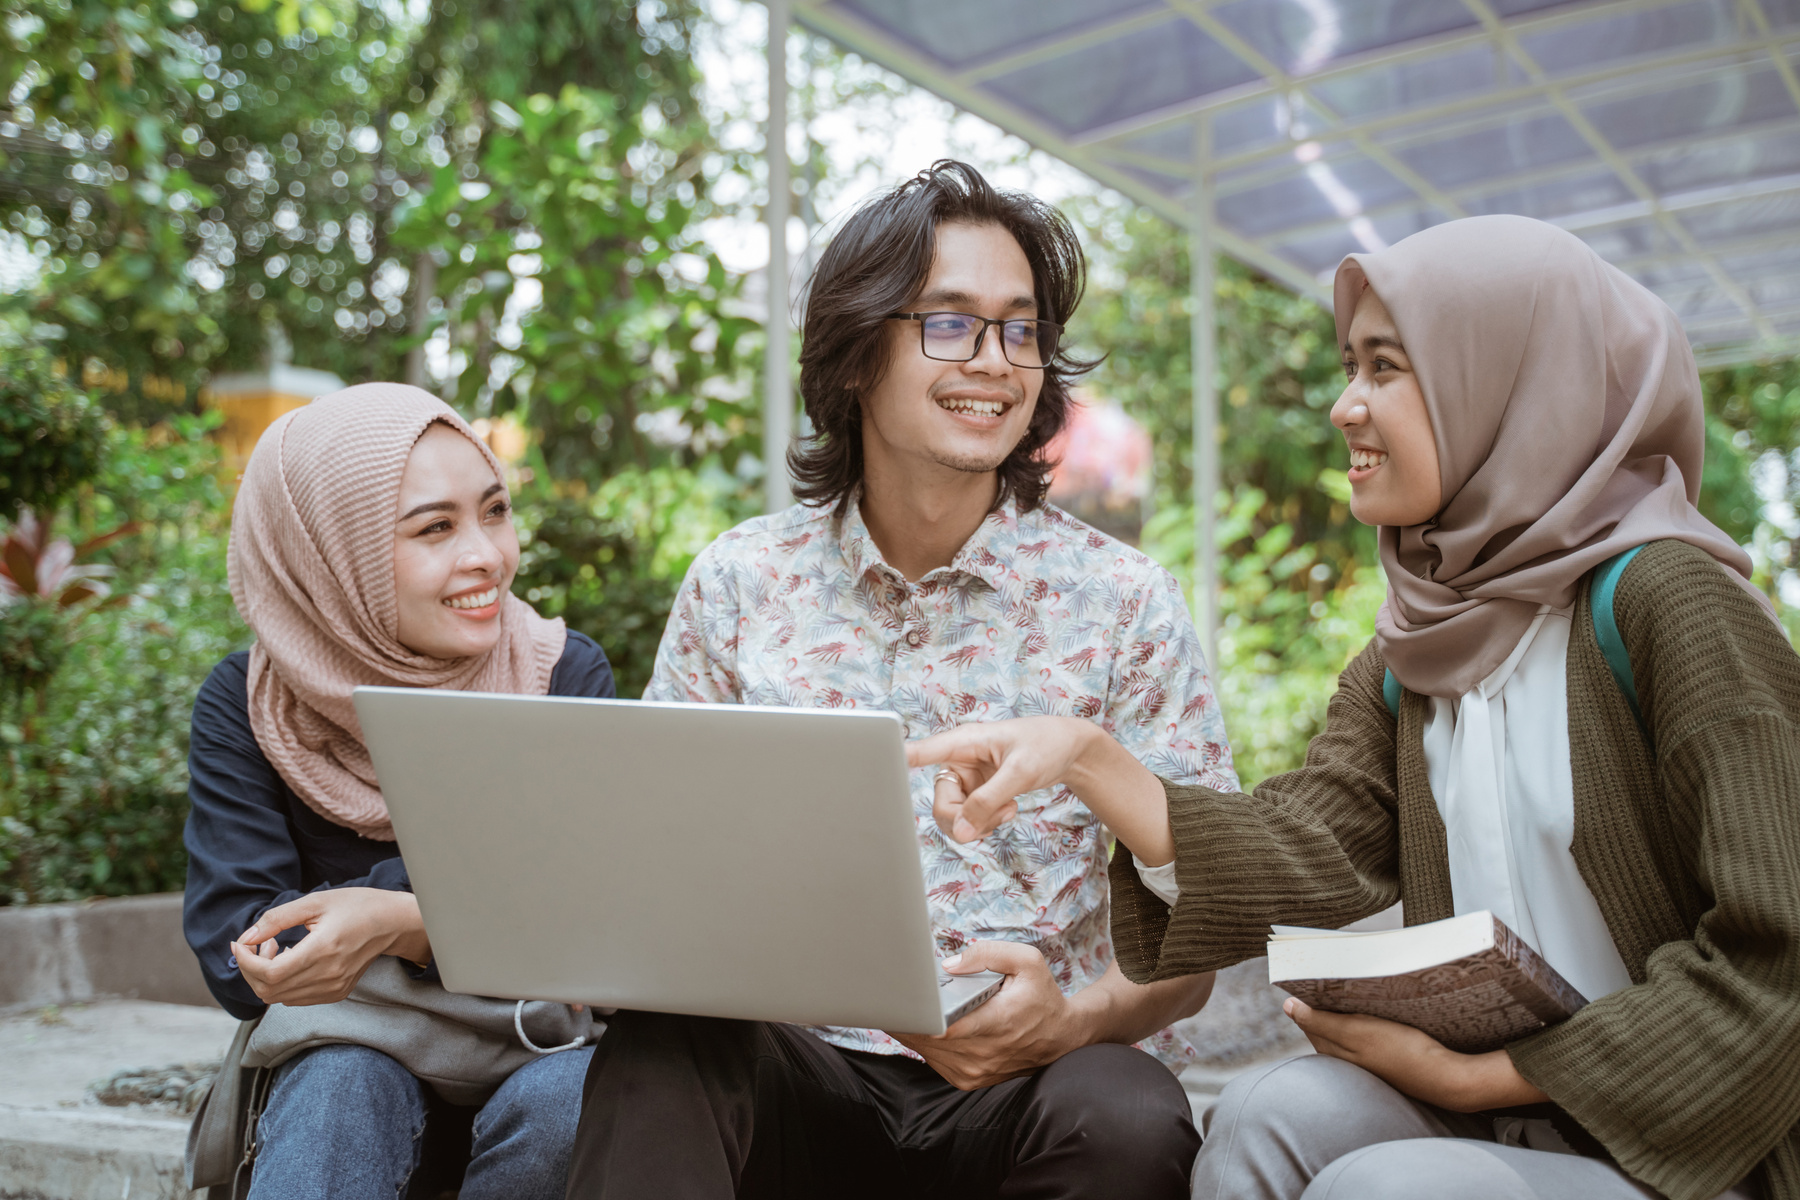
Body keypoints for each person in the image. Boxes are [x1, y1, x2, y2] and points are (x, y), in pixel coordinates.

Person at [910, 214, 1798, 1200]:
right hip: (1519, 1122)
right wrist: (1086, 758)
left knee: (1377, 1188)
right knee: (1258, 1116)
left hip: (1704, 1149)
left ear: (1506, 383)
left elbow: (1782, 960)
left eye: (1385, 368)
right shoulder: (1415, 646)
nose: (1344, 406)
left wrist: (1474, 1075)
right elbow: (1311, 850)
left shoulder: (1669, 601)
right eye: (1351, 366)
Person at [562, 160, 1236, 1200]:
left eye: (1020, 330)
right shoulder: (742, 582)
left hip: (1033, 1081)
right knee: (662, 1050)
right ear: (852, 357)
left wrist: (1076, 1020)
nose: (997, 362)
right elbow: (665, 887)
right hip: (798, 1068)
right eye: (951, 323)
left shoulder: (1125, 603)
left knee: (1132, 1116)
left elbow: (1204, 934)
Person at [183, 383, 614, 1200]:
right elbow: (237, 956)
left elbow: (582, 918)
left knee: (571, 1103)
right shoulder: (253, 704)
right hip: (341, 1074)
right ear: (327, 553)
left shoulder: (558, 674)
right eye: (435, 528)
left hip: (529, 1048)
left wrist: (393, 925)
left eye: (494, 511)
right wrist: (468, 910)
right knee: (341, 1079)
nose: (487, 554)